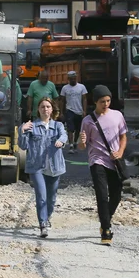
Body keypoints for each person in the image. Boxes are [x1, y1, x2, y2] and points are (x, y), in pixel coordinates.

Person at [78, 85, 128, 245]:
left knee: (116, 194)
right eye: (102, 101)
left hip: (114, 161)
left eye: (108, 101)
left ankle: (106, 217)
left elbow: (123, 137)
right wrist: (82, 141)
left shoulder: (117, 115)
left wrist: (120, 152)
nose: (106, 104)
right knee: (101, 195)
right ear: (95, 102)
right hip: (97, 161)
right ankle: (106, 230)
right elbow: (81, 146)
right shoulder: (88, 121)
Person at [18, 97, 68, 238]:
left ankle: (47, 217)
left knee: (51, 198)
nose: (45, 109)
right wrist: (22, 130)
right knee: (41, 196)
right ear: (38, 110)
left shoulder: (57, 126)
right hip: (36, 166)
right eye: (42, 107)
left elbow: (64, 136)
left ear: (52, 109)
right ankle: (43, 224)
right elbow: (23, 146)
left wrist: (60, 141)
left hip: (54, 167)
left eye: (48, 107)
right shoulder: (32, 126)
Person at [60, 71, 88, 154]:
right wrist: (61, 112)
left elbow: (84, 99)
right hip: (70, 110)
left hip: (79, 111)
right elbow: (62, 100)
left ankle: (75, 142)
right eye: (71, 79)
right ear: (68, 79)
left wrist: (84, 110)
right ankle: (71, 145)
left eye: (74, 78)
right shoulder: (65, 88)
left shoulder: (81, 87)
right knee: (70, 128)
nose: (73, 80)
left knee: (77, 129)